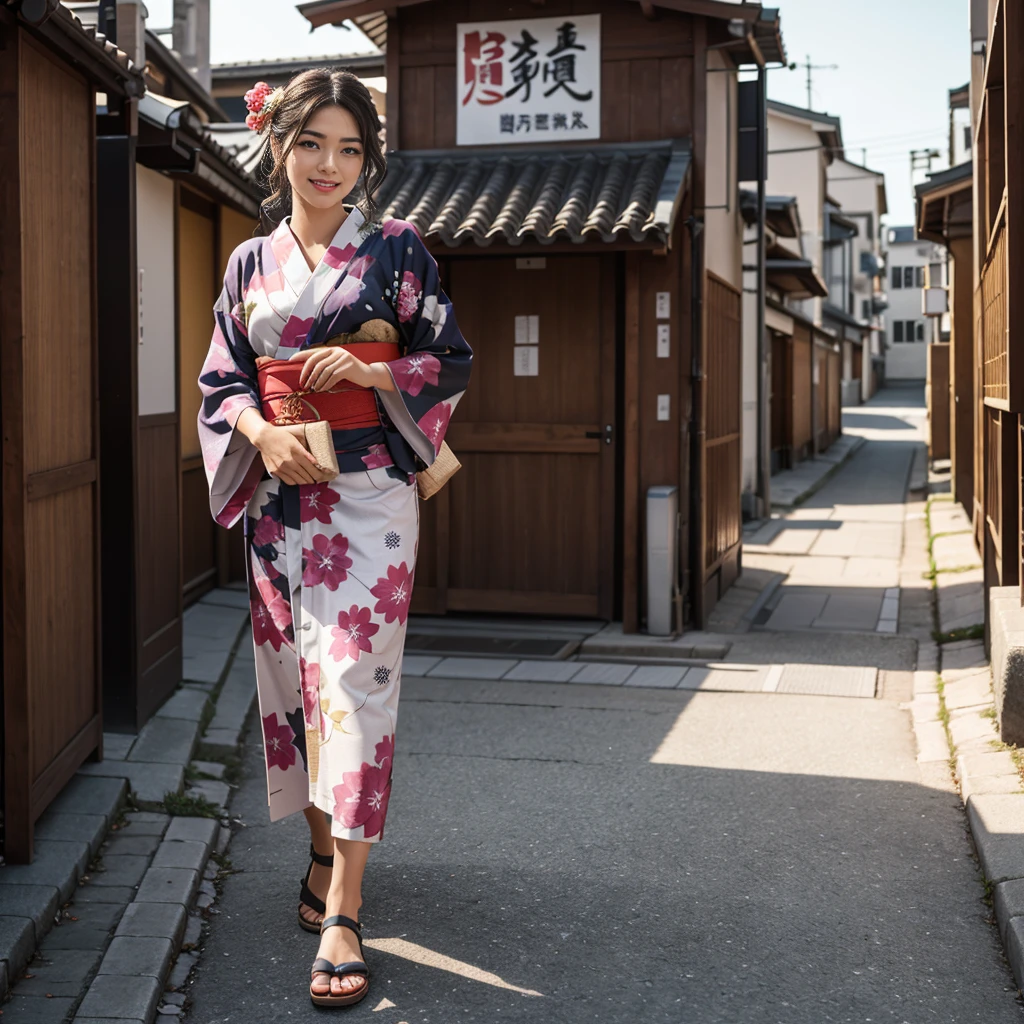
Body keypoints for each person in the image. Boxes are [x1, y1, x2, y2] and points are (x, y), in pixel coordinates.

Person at [197, 68, 471, 1008]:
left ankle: (348, 906)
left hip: (369, 499)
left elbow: (449, 357)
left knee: (352, 682)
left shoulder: (399, 251)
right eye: (312, 142)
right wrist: (263, 433)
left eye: (350, 148)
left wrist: (369, 367)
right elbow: (223, 383)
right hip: (279, 500)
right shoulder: (247, 262)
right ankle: (322, 853)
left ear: (368, 161)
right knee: (292, 683)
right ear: (279, 147)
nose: (330, 164)